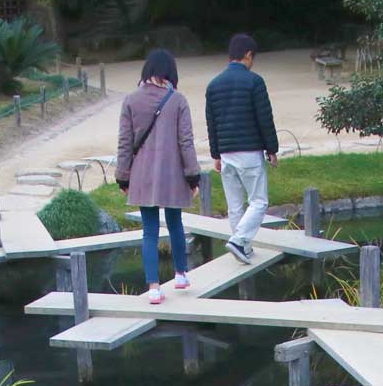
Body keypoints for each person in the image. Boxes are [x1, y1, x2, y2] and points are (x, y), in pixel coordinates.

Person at [117, 49, 200, 305]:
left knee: (149, 231)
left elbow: (125, 142)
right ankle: (181, 275)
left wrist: (123, 177)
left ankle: (153, 287)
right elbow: (185, 141)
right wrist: (193, 175)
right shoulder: (178, 101)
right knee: (175, 223)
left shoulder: (130, 100)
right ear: (170, 72)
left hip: (142, 174)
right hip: (172, 174)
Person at [205, 33, 278, 264]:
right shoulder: (255, 82)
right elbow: (264, 118)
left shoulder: (213, 85)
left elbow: (212, 122)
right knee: (259, 201)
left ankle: (242, 247)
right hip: (249, 152)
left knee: (235, 205)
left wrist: (215, 154)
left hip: (226, 153)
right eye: (252, 57)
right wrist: (272, 149)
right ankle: (239, 241)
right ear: (248, 55)